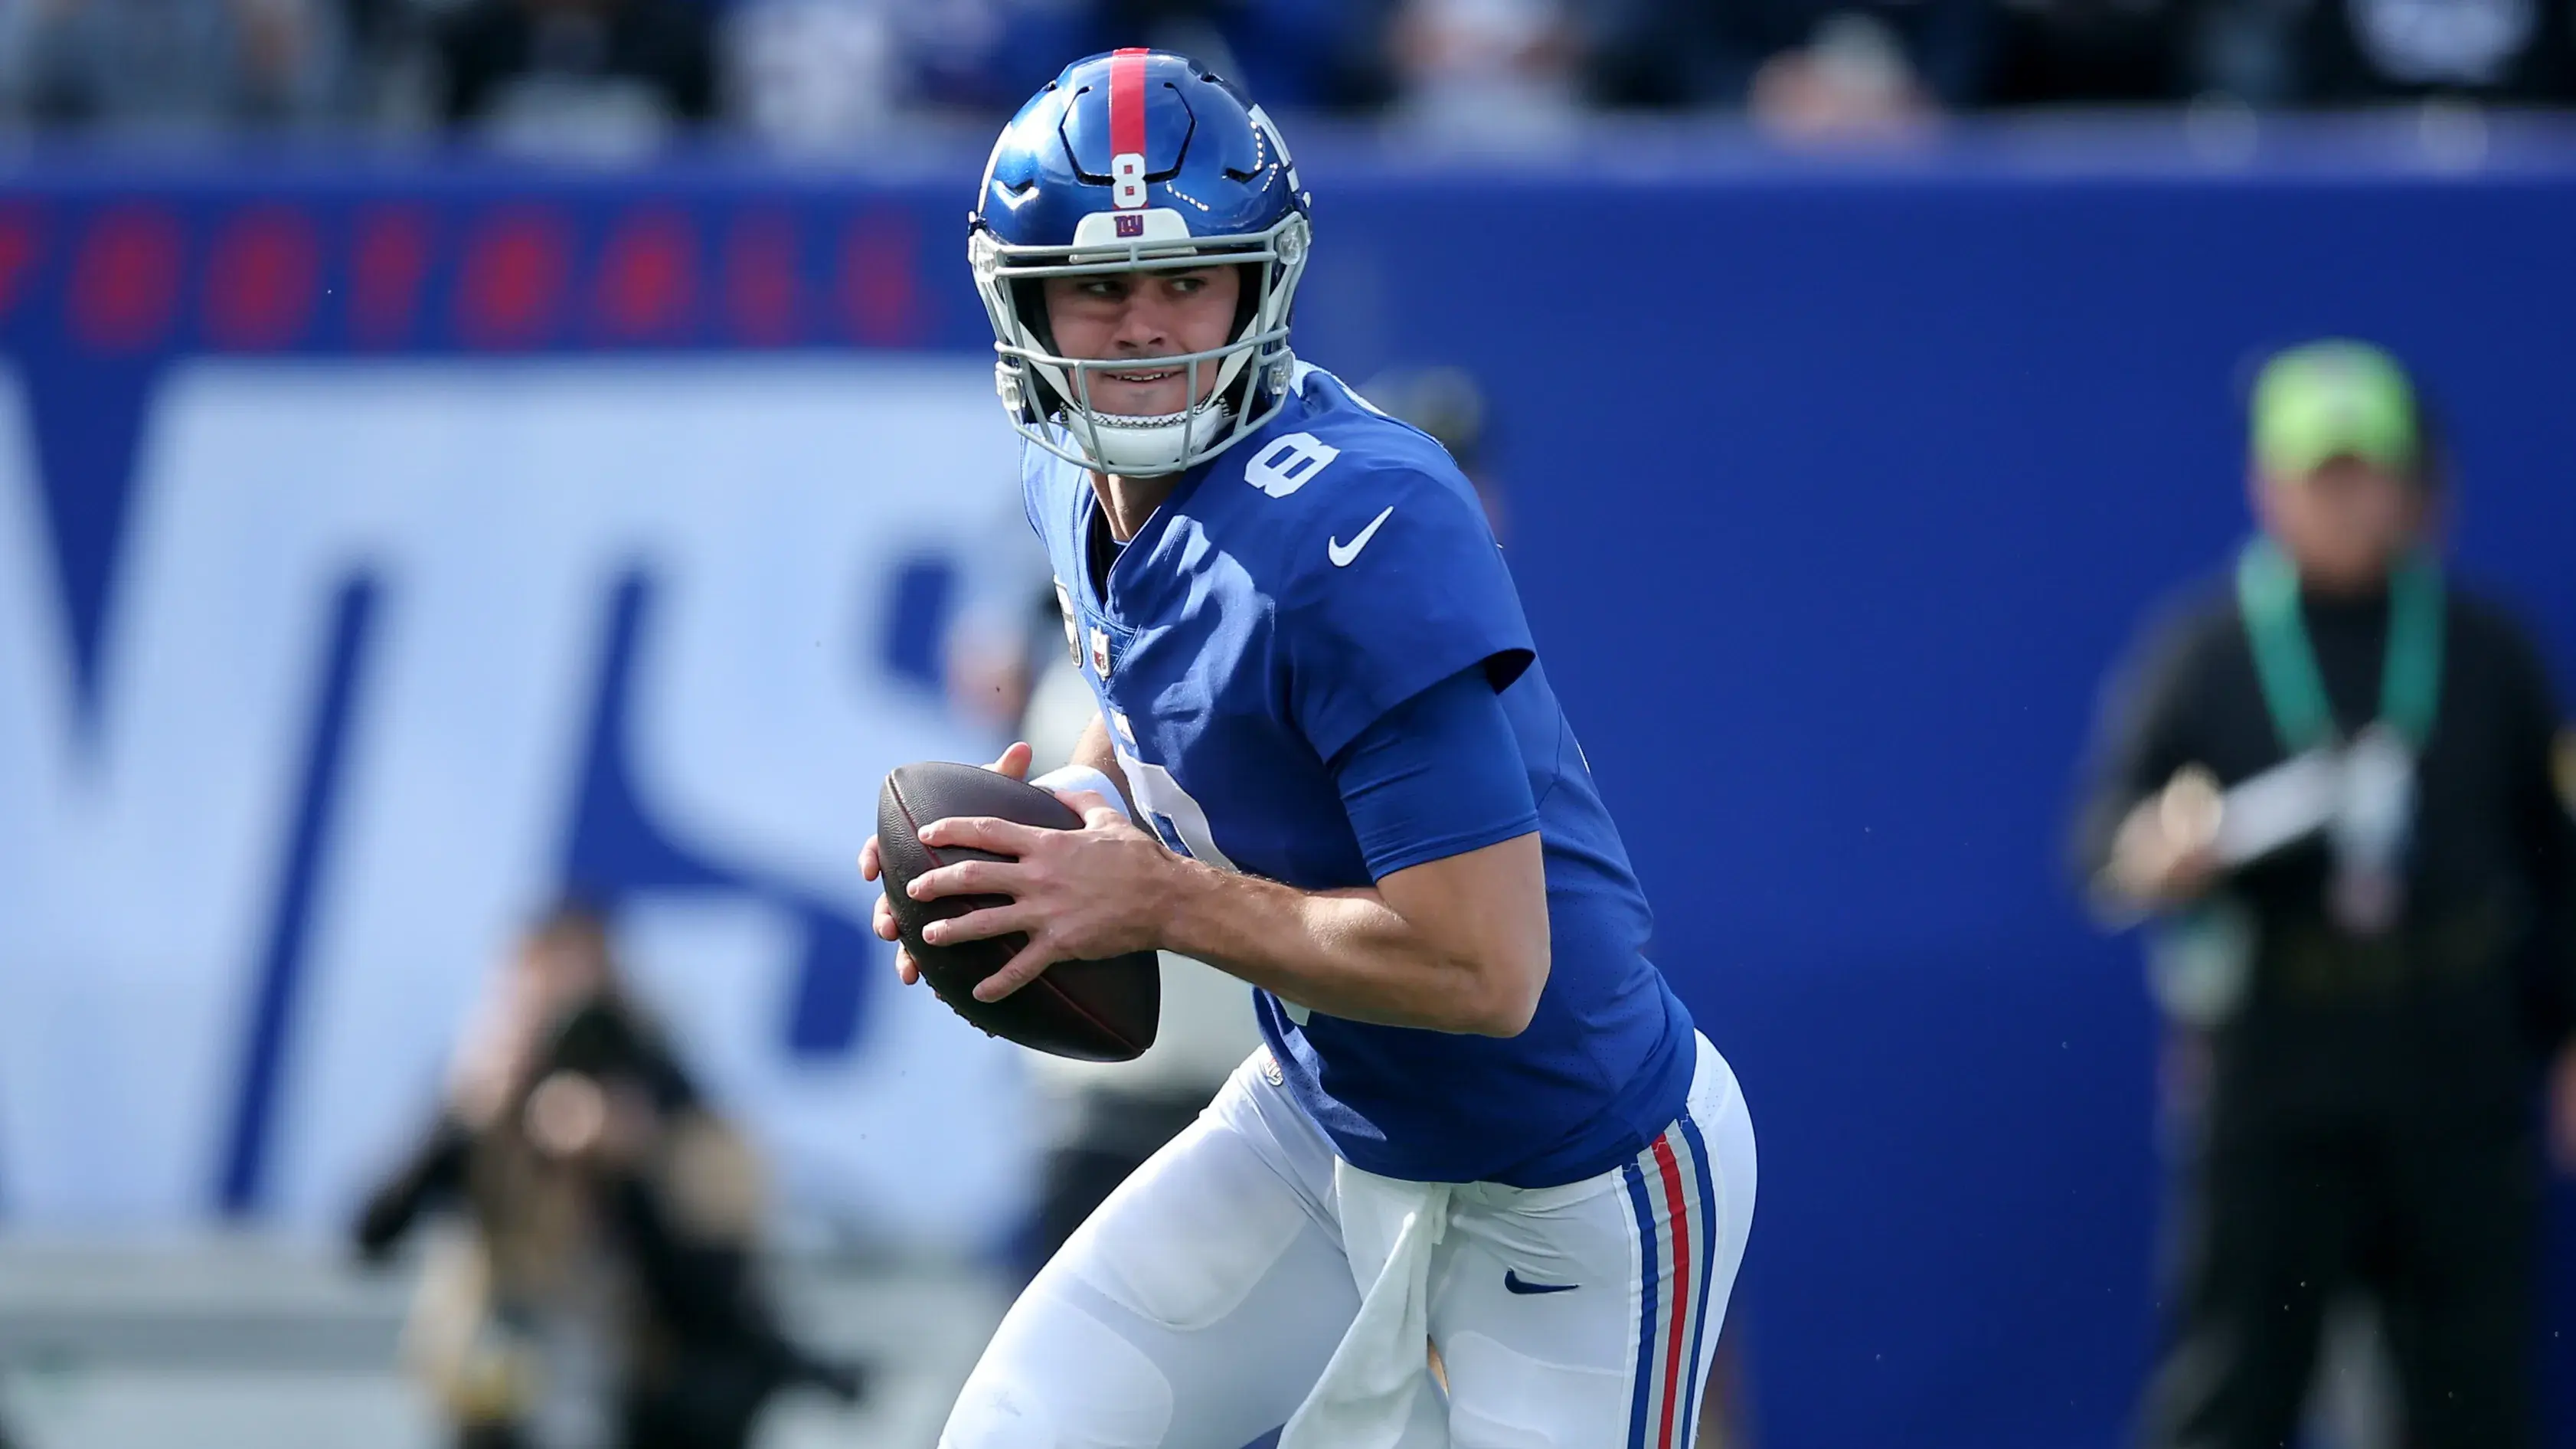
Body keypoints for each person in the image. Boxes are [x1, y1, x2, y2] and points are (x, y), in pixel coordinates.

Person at [857, 48, 1757, 1448]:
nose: (1147, 328)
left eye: (1185, 279)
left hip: (1575, 1175)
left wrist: (1153, 896)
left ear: (1257, 282)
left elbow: (1485, 967)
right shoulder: (1066, 481)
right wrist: (1041, 847)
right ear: (1023, 300)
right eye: (1100, 286)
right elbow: (1144, 696)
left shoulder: (1361, 528)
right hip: (1327, 1120)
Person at [2074, 341, 2576, 1449]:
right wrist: (2158, 851)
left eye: (2370, 473)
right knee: (2233, 1383)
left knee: (2472, 1392)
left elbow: (2559, 864)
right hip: (2275, 1067)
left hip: (2455, 1064)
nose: (2349, 501)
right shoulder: (2201, 650)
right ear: (2269, 486)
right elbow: (2100, 842)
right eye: (2322, 475)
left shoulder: (2492, 648)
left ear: (2416, 486)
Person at [354, 901, 860, 1449]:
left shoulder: (664, 1099)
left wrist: (631, 1166)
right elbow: (370, 1237)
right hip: (496, 1395)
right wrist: (459, 1121)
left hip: (644, 1399)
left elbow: (716, 1297)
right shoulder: (479, 1101)